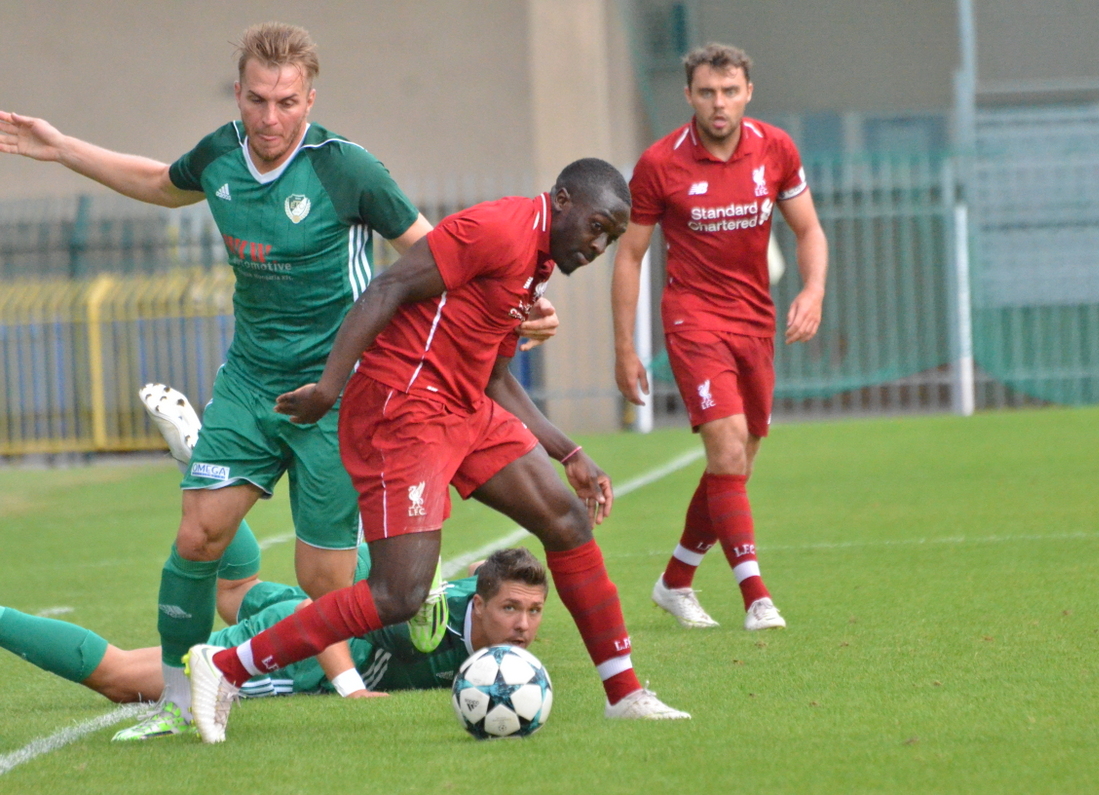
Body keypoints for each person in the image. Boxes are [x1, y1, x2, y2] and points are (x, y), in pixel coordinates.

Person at [0, 22, 559, 740]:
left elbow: (437, 257)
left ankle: (281, 657)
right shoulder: (220, 155)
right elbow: (158, 184)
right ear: (239, 93)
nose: (270, 118)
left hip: (340, 393)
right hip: (250, 381)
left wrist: (512, 310)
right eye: (257, 100)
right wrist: (60, 147)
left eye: (286, 102)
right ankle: (179, 699)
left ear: (310, 98)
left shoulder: (347, 168)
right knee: (198, 535)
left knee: (325, 581)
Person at [185, 157, 689, 745]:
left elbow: (496, 377)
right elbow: (388, 286)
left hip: (465, 407)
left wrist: (567, 451)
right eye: (597, 227)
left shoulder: (538, 262)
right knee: (399, 594)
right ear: (563, 199)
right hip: (404, 408)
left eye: (611, 237)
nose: (600, 246)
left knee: (567, 520)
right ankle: (224, 669)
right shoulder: (498, 229)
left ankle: (625, 694)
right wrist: (328, 386)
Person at [610, 43, 828, 631]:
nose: (719, 103)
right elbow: (629, 256)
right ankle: (757, 596)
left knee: (739, 461)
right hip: (693, 319)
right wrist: (625, 348)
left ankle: (675, 582)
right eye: (707, 92)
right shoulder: (660, 164)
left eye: (730, 91)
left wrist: (811, 291)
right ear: (689, 96)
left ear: (748, 92)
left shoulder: (776, 148)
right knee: (727, 449)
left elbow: (808, 229)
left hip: (754, 320)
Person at [0, 547, 549, 732]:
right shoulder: (426, 618)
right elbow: (321, 609)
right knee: (122, 680)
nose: (523, 627)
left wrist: (495, 575)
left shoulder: (489, 613)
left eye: (533, 612)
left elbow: (484, 566)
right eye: (510, 610)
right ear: (477, 605)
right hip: (307, 651)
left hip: (302, 612)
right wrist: (351, 688)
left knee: (236, 588)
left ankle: (201, 461)